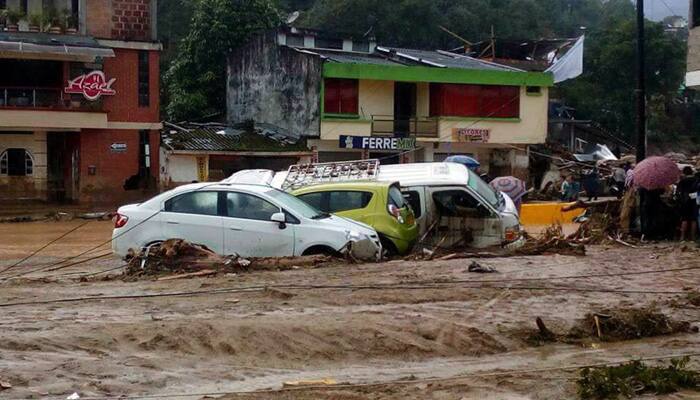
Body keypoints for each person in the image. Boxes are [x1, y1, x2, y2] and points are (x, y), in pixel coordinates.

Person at [676, 166, 698, 242]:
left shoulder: (682, 181)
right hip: (694, 201)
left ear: (684, 173)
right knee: (693, 219)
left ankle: (682, 237)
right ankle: (693, 237)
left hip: (685, 202)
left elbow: (678, 193)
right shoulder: (696, 180)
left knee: (684, 219)